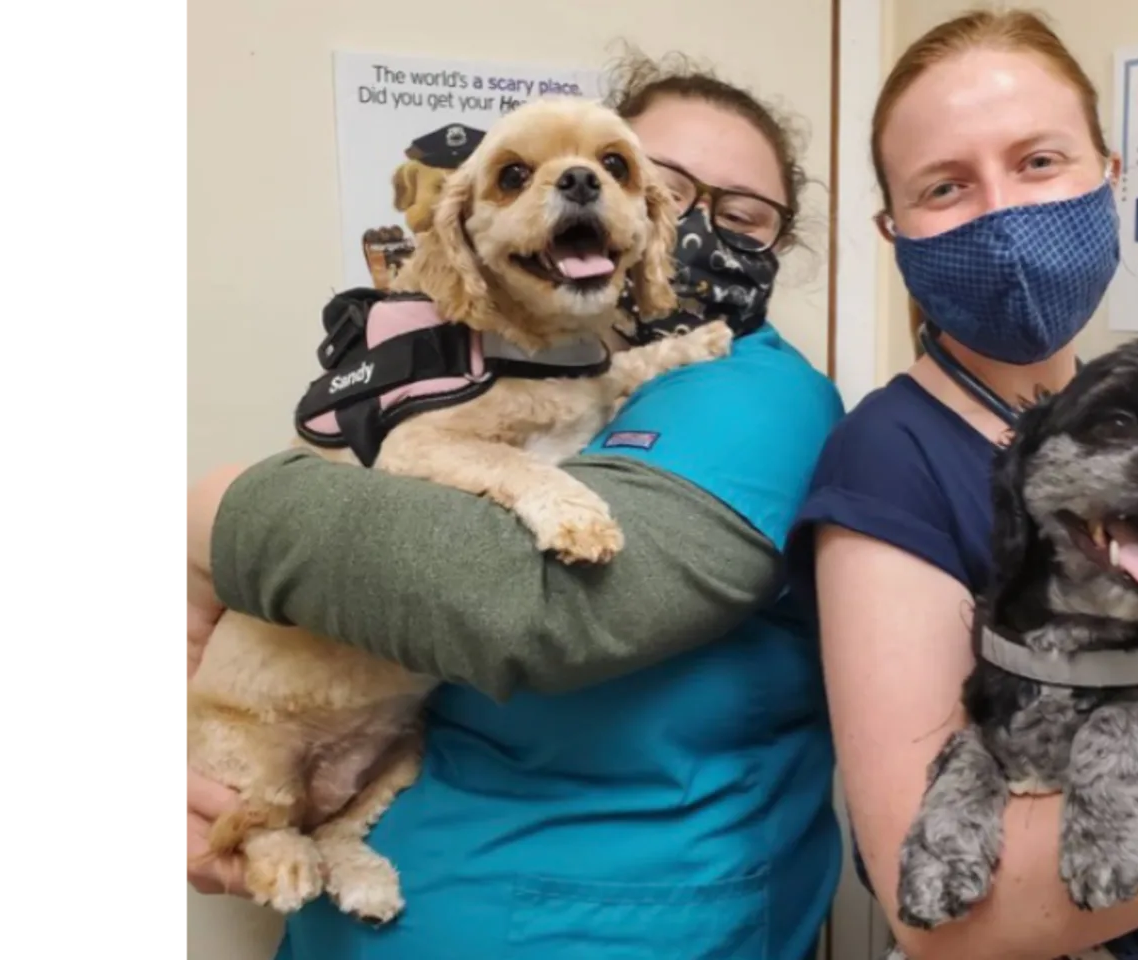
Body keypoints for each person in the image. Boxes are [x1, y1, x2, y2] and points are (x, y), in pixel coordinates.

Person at [182, 49, 845, 960]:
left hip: (596, 922)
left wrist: (217, 516)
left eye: (741, 216)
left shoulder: (758, 396)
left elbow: (535, 611)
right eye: (674, 188)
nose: (694, 227)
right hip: (360, 893)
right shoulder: (471, 354)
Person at [785, 10, 1138, 960]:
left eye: (1039, 162)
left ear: (1111, 176)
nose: (1005, 216)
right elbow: (941, 930)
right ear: (895, 231)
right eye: (946, 185)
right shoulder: (889, 457)